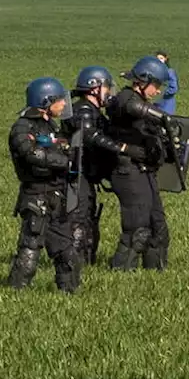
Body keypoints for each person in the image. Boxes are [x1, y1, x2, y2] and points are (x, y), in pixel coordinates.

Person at [7, 77, 82, 293]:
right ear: (46, 101)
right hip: (36, 195)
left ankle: (69, 293)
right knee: (30, 248)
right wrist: (64, 161)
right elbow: (31, 153)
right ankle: (16, 292)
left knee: (66, 250)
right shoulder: (22, 126)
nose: (65, 105)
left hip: (57, 195)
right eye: (60, 100)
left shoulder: (51, 126)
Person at [104, 56, 175, 271]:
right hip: (127, 170)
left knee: (158, 226)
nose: (158, 91)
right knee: (137, 227)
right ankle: (122, 271)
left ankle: (155, 271)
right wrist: (160, 116)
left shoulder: (141, 101)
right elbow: (131, 107)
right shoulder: (125, 99)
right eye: (156, 86)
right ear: (142, 81)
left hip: (145, 170)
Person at [65, 66, 132, 265]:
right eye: (106, 87)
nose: (109, 92)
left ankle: (85, 261)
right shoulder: (83, 110)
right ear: (95, 88)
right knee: (79, 219)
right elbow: (91, 136)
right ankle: (74, 263)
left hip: (86, 175)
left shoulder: (92, 110)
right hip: (77, 176)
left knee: (88, 217)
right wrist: (122, 148)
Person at [154, 50, 179, 115]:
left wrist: (162, 92)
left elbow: (174, 88)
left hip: (167, 103)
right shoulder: (155, 71)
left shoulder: (169, 72)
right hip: (156, 102)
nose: (159, 60)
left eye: (161, 58)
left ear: (165, 59)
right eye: (157, 59)